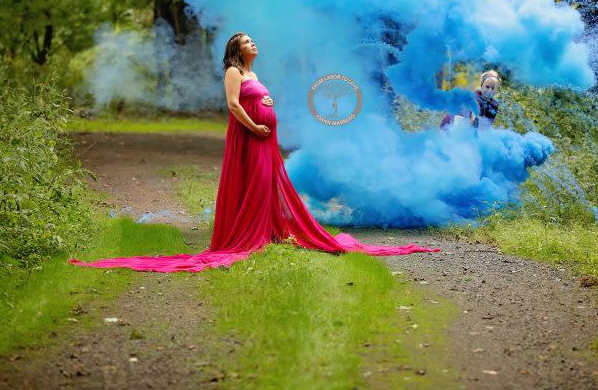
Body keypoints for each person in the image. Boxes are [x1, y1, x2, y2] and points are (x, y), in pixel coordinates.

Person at [68, 32, 440, 273]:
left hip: (263, 135)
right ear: (236, 49)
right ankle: (253, 236)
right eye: (248, 41)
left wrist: (267, 101)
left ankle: (272, 232)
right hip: (250, 136)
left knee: (271, 184)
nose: (254, 44)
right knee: (259, 182)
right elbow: (232, 105)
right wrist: (255, 124)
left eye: (253, 41)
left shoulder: (252, 74)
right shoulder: (232, 70)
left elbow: (253, 97)